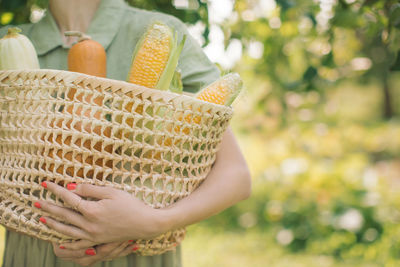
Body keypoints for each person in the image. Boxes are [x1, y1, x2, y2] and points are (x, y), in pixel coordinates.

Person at [0, 0, 251, 266]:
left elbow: (236, 176)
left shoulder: (160, 32)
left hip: (137, 254)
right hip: (34, 254)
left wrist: (152, 222)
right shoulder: (8, 44)